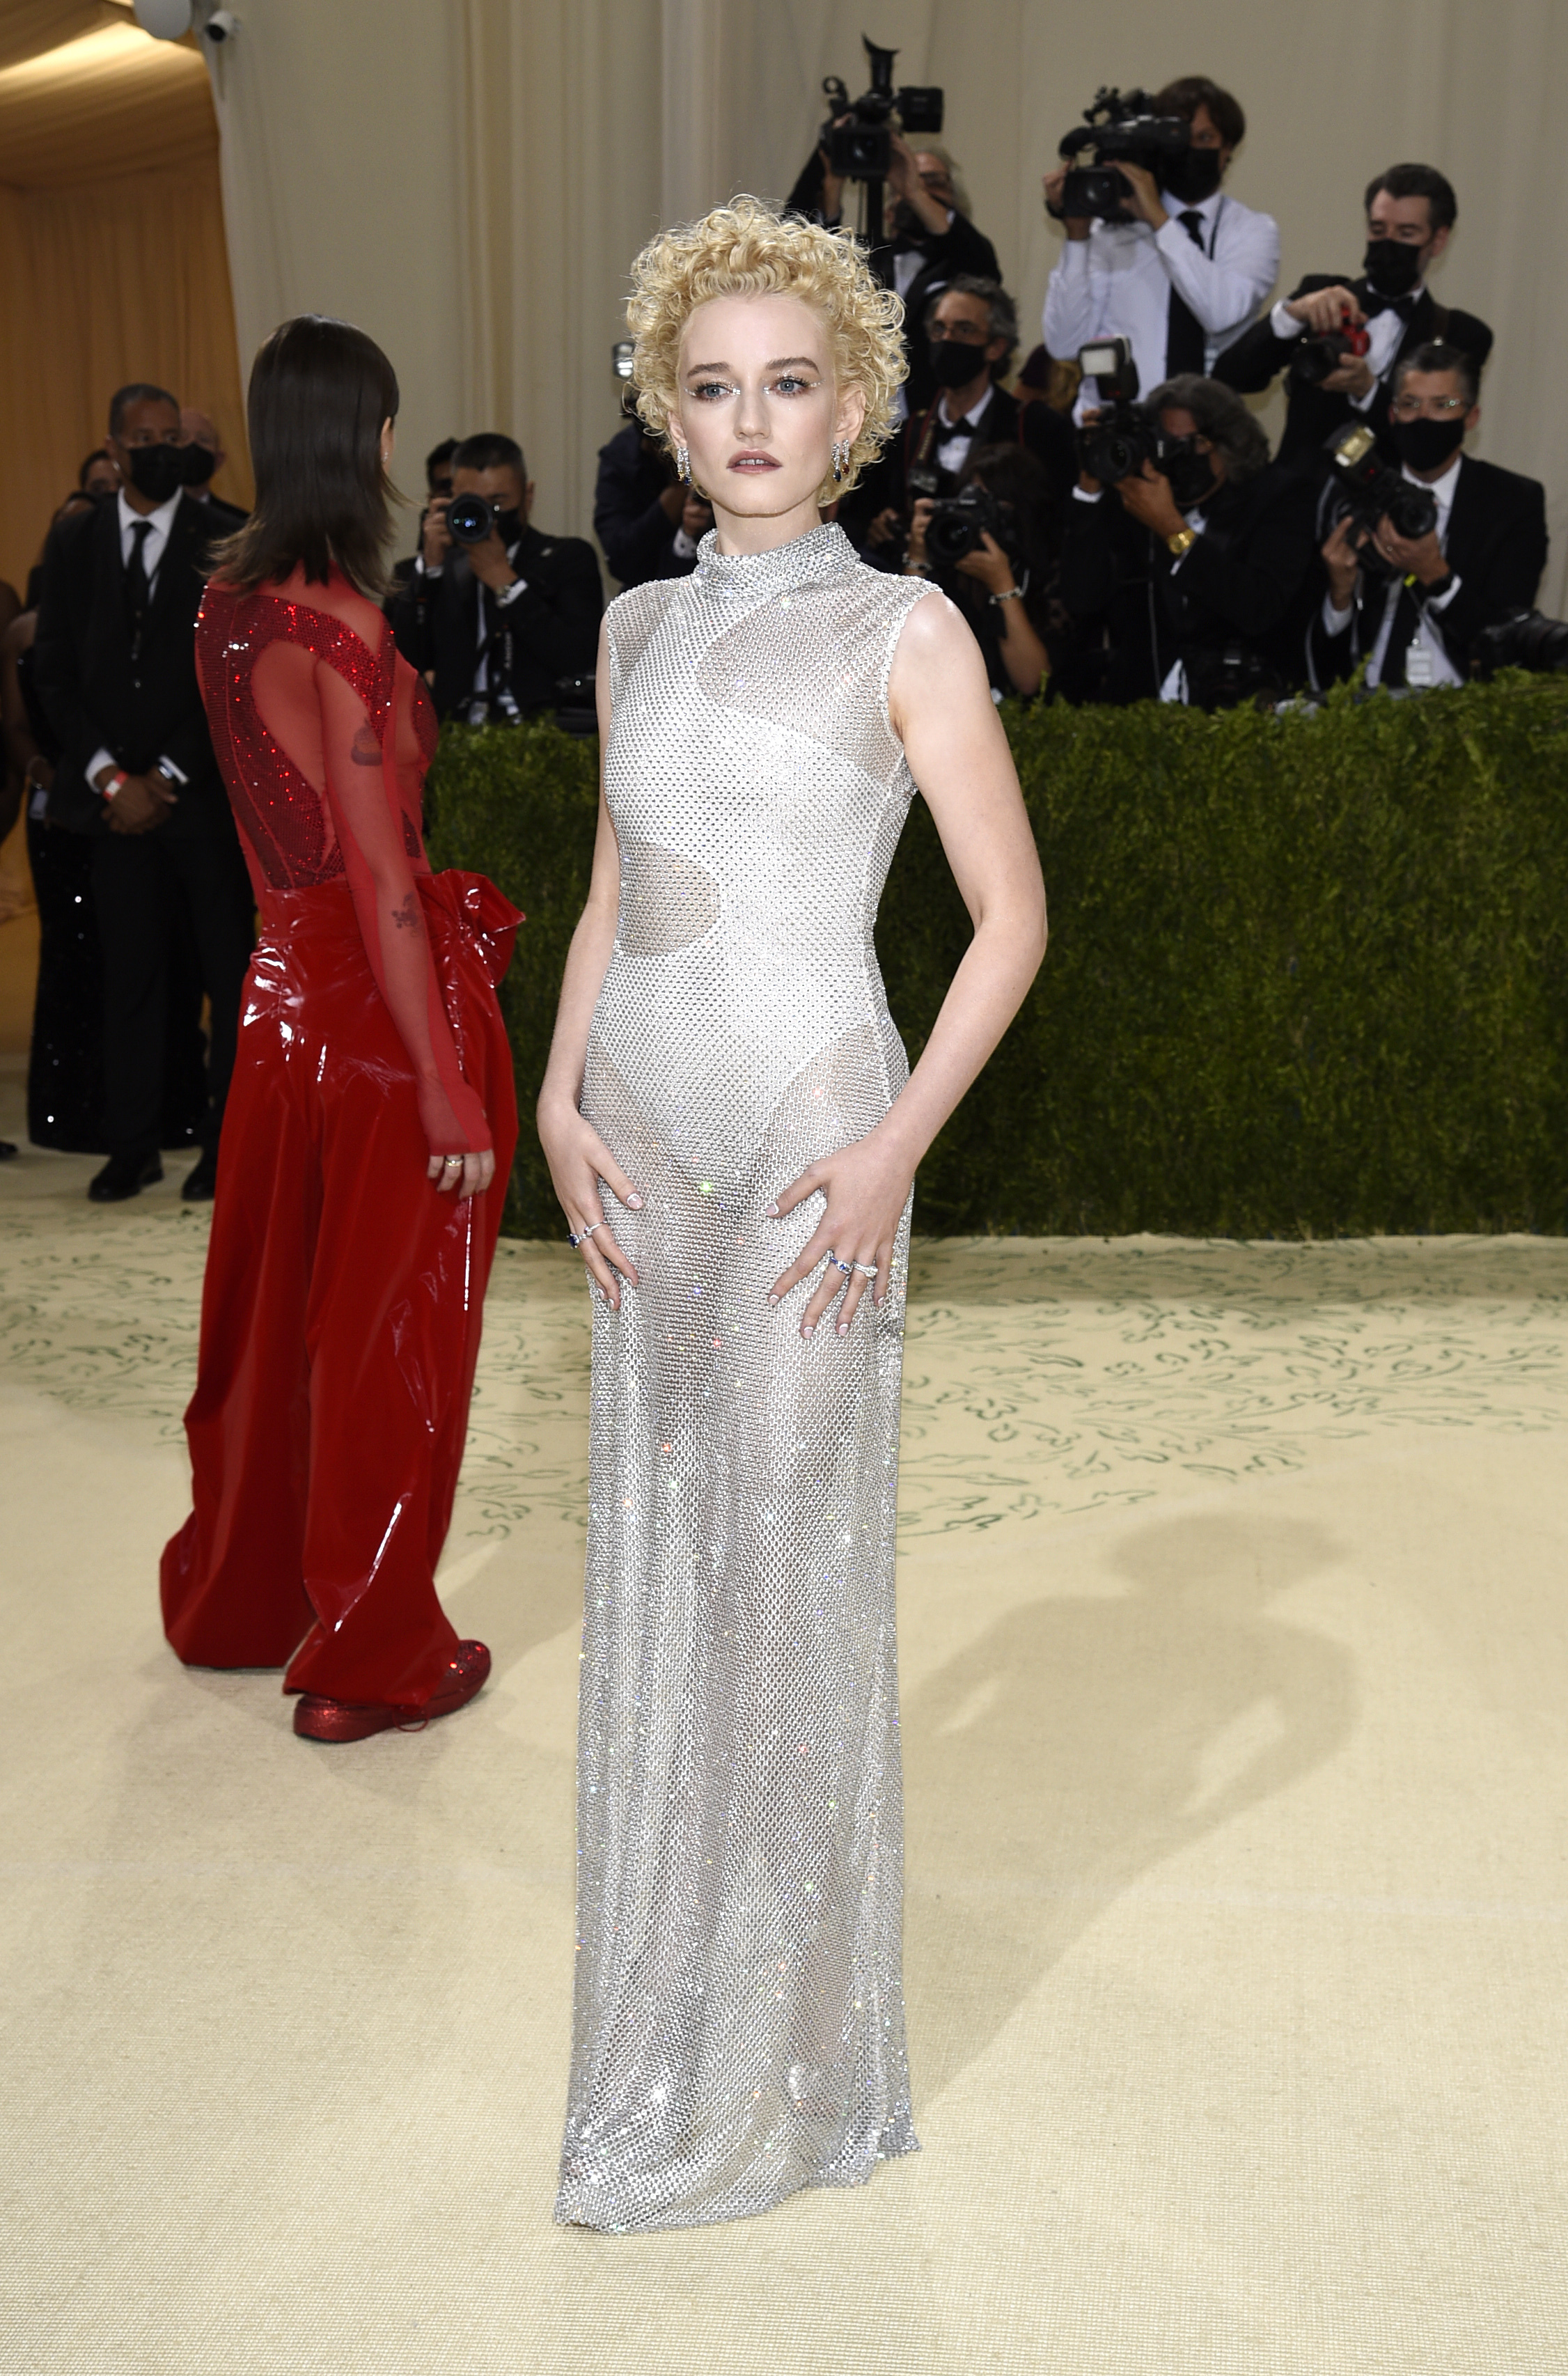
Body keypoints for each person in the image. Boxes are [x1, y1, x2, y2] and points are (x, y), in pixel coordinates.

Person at [538, 196, 1046, 2231]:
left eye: (789, 387)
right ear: (673, 411)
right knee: (673, 1569)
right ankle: (676, 2007)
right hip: (643, 1140)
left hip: (818, 1135)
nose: (751, 421)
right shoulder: (632, 624)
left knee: (785, 1580)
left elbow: (1009, 923)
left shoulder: (905, 631)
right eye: (714, 387)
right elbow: (608, 893)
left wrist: (902, 1142)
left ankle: (803, 2059)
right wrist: (556, 1101)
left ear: (854, 416)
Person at [159, 315, 522, 1746]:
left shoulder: (224, 609)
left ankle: (247, 1603)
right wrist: (442, 1085)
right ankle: (372, 1651)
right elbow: (381, 880)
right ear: (368, 442)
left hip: (274, 1005)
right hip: (376, 1019)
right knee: (389, 1334)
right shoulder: (346, 629)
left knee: (270, 1318)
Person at [32, 381, 256, 1202]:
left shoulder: (227, 538)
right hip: (110, 804)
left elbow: (233, 676)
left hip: (198, 802)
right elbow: (52, 670)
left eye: (174, 435)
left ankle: (223, 1148)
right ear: (115, 445)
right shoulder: (76, 540)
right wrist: (107, 777)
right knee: (129, 979)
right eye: (147, 437)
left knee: (225, 974)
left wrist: (165, 775)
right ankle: (132, 1145)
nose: (163, 448)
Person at [1213, 164, 1492, 469]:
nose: (1388, 243)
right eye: (1378, 230)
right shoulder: (1321, 295)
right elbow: (1230, 377)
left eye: (1406, 233)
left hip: (1387, 504)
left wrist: (1368, 391)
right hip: (1297, 503)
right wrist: (1291, 316)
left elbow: (1431, 445)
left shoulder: (1460, 335)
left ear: (1438, 241)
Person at [1060, 371, 1316, 705]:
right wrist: (1090, 489)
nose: (1176, 457)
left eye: (1190, 444)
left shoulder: (1279, 497)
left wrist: (1173, 531)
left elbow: (1259, 607)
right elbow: (1082, 599)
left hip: (1241, 703)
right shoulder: (1134, 496)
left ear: (1228, 443)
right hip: (1140, 706)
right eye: (1164, 443)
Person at [1310, 343, 1547, 691]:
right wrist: (1340, 595)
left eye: (1443, 405)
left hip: (1462, 714)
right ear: (1392, 415)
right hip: (1363, 713)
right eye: (1410, 404)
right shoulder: (1354, 494)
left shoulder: (1512, 501)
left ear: (1471, 417)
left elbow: (1510, 637)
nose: (1423, 417)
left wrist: (1435, 575)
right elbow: (1319, 655)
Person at [1042, 75, 1278, 413]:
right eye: (1178, 138)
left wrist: (1161, 222)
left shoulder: (1252, 231)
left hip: (1202, 434)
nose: (1191, 149)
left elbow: (1221, 314)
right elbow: (1064, 343)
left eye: (1206, 138)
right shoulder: (1111, 230)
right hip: (1115, 428)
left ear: (1227, 151)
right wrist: (1077, 238)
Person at [851, 277, 1076, 563]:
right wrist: (882, 525)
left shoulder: (1037, 429)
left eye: (964, 330)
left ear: (995, 347)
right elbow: (868, 515)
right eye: (939, 329)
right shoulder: (909, 434)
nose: (947, 340)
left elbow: (1055, 527)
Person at [388, 430, 602, 721]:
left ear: (528, 496)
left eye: (498, 502)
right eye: (472, 504)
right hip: (453, 735)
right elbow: (401, 662)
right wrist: (431, 570)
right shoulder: (434, 569)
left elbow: (579, 657)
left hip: (542, 735)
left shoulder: (567, 558)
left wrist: (506, 583)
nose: (489, 516)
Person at [787, 132, 1000, 414]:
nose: (915, 187)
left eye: (933, 182)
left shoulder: (965, 259)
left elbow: (985, 272)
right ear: (888, 212)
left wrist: (915, 193)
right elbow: (798, 254)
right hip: (862, 421)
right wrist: (831, 175)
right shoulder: (866, 256)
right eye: (905, 180)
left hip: (932, 420)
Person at [904, 441, 1062, 699]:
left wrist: (1003, 587)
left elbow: (1032, 682)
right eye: (969, 504)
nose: (976, 521)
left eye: (987, 506)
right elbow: (901, 656)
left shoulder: (1048, 573)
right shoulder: (947, 562)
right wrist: (917, 559)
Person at [593, 397, 712, 586]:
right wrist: (680, 489)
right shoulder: (624, 456)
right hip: (645, 586)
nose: (679, 452)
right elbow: (621, 560)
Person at [389, 437, 458, 592]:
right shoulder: (406, 575)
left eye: (463, 489)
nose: (455, 498)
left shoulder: (498, 563)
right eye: (446, 489)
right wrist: (432, 569)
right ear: (431, 500)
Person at [176, 407, 247, 532]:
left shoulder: (241, 525)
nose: (193, 444)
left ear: (218, 460)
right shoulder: (145, 519)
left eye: (204, 439)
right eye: (182, 438)